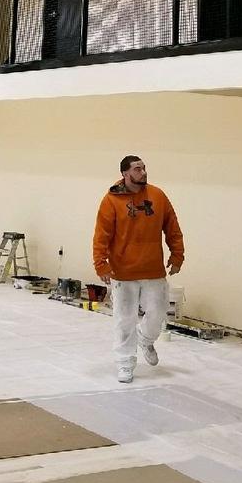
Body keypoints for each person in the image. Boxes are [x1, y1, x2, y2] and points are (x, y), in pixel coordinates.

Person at [91, 155, 185, 384]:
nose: (143, 172)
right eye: (137, 169)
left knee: (158, 312)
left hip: (152, 268)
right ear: (125, 174)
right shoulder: (111, 200)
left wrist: (177, 255)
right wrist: (101, 264)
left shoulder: (157, 196)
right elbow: (101, 235)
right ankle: (125, 362)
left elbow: (172, 227)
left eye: (143, 168)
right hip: (122, 272)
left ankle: (146, 338)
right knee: (125, 319)